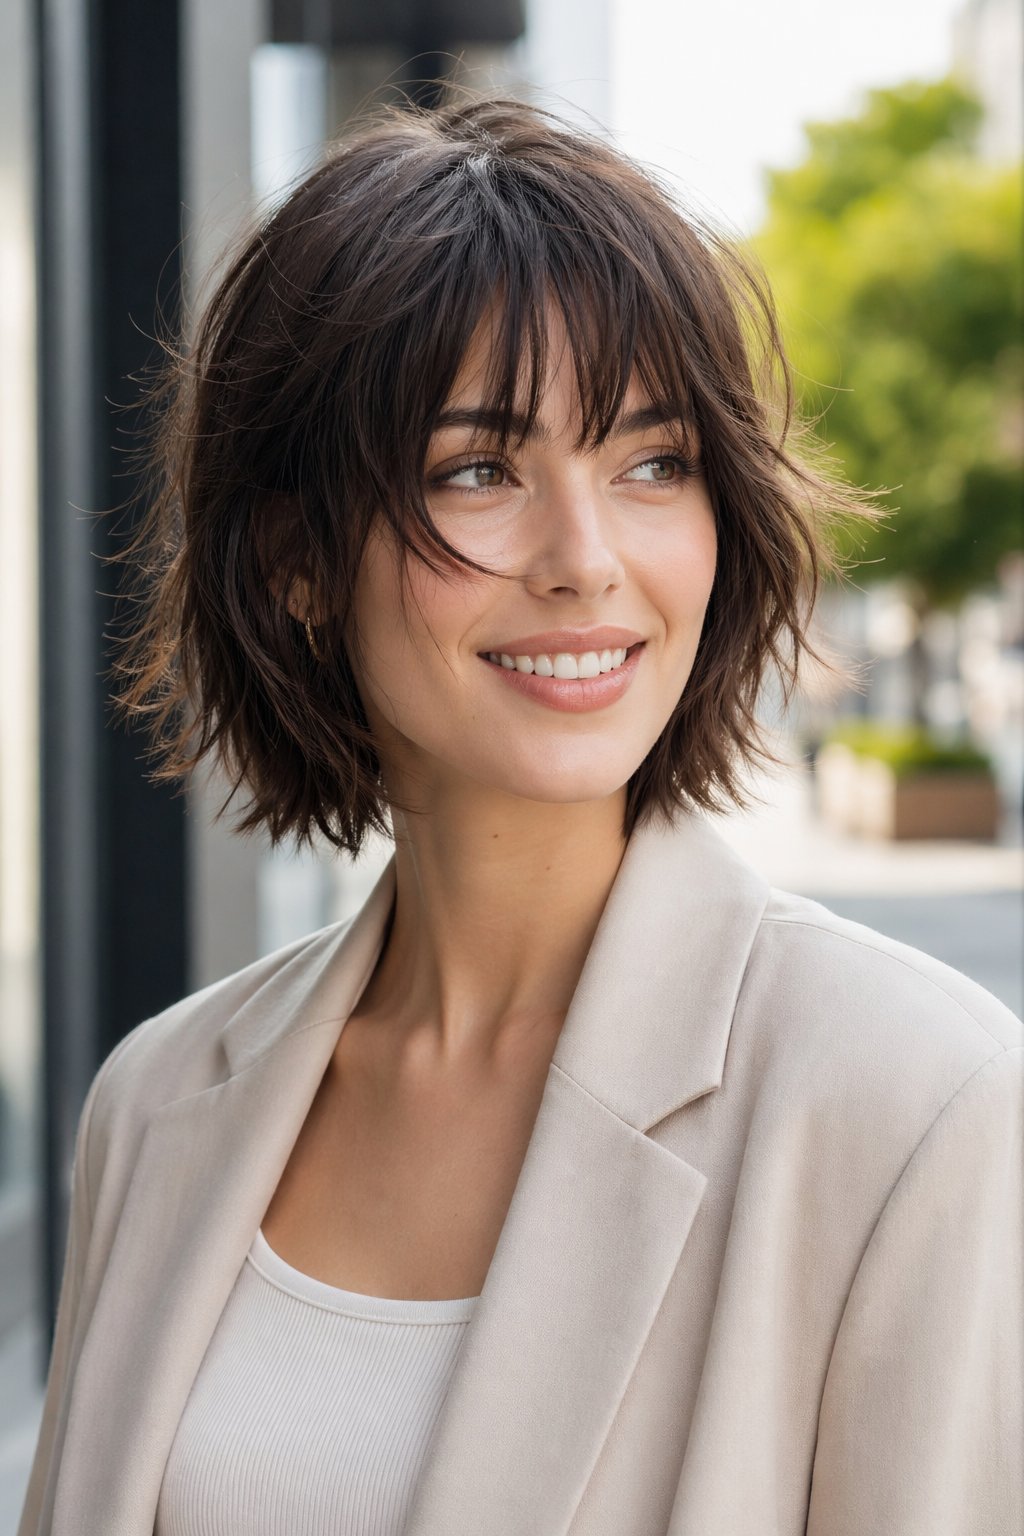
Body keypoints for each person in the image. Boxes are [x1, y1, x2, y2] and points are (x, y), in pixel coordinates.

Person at [19, 96, 1022, 1536]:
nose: (587, 558)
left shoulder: (910, 1101)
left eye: (654, 463)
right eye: (478, 469)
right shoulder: (161, 1099)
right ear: (298, 557)